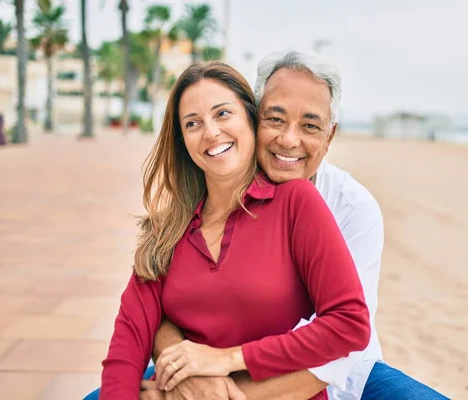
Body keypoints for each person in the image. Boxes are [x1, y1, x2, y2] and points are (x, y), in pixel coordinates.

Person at [146, 51, 449, 400]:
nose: (289, 141)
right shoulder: (217, 182)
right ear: (253, 119)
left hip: (338, 377)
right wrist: (186, 375)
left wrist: (227, 394)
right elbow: (161, 301)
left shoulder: (354, 208)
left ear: (329, 136)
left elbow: (340, 348)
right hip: (212, 362)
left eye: (310, 126)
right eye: (275, 120)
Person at [97, 61, 371, 399]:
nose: (211, 132)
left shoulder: (297, 202)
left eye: (223, 114)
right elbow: (128, 342)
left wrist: (224, 360)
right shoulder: (166, 229)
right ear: (183, 141)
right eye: (193, 123)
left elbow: (349, 325)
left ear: (250, 120)